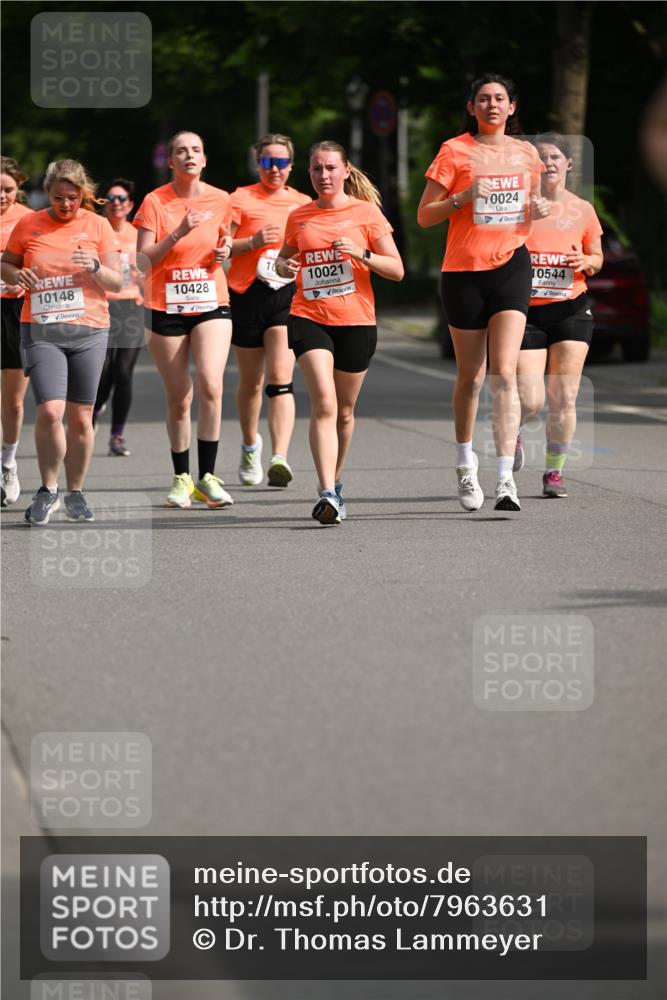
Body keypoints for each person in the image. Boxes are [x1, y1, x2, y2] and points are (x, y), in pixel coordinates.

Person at [417, 73, 549, 512]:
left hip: (512, 265)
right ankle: (464, 464)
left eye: (500, 98)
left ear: (512, 107)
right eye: (483, 98)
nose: (492, 104)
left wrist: (539, 208)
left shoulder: (526, 154)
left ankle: (505, 479)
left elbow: (531, 206)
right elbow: (424, 216)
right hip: (464, 271)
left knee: (504, 373)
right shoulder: (454, 151)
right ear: (471, 107)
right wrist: (465, 196)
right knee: (471, 377)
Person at [276, 140, 404, 524]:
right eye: (317, 168)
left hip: (356, 321)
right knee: (325, 404)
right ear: (309, 172)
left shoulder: (366, 214)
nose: (324, 175)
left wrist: (361, 253)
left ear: (346, 170)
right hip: (308, 316)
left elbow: (397, 270)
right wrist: (284, 268)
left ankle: (336, 482)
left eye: (331, 168)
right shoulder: (299, 216)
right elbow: (283, 260)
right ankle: (327, 491)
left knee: (345, 412)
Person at [1, 159, 121, 525]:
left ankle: (76, 491)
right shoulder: (29, 223)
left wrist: (95, 267)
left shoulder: (98, 225)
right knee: (51, 411)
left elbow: (117, 283)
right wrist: (18, 275)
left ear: (82, 195)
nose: (65, 204)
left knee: (81, 418)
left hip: (89, 330)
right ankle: (47, 488)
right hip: (41, 331)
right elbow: (6, 264)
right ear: (47, 194)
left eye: (72, 197)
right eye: (57, 197)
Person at [134, 130, 234, 509]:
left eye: (195, 150)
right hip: (165, 306)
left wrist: (226, 249)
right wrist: (178, 232)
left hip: (211, 301)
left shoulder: (221, 199)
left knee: (211, 384)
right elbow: (142, 260)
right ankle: (181, 478)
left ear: (204, 160)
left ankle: (207, 478)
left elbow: (226, 239)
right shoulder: (155, 201)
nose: (189, 156)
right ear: (170, 161)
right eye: (181, 151)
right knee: (180, 397)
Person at [514, 133, 603, 497]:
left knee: (564, 396)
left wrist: (587, 260)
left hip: (571, 308)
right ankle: (514, 430)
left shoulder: (582, 209)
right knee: (530, 399)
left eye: (555, 157)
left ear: (568, 164)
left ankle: (554, 472)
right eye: (542, 158)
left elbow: (597, 257)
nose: (548, 163)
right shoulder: (520, 206)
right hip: (526, 313)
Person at [228, 134, 311, 487]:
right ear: (257, 163)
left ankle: (279, 456)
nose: (274, 169)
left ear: (290, 166)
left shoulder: (303, 203)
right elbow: (221, 246)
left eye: (280, 163)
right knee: (250, 382)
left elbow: (312, 248)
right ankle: (250, 446)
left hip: (286, 295)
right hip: (247, 293)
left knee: (280, 379)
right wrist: (253, 242)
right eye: (267, 162)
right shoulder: (240, 198)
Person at [93, 178, 144, 457]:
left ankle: (117, 435)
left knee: (123, 372)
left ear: (130, 205)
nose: (116, 203)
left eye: (121, 198)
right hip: (101, 306)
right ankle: (94, 412)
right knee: (102, 372)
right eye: (111, 198)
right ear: (104, 204)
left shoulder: (138, 235)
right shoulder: (96, 232)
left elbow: (151, 268)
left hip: (131, 307)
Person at [0, 157, 32, 506]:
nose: (2, 196)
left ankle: (8, 464)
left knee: (12, 400)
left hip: (16, 311)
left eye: (8, 189)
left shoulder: (28, 220)